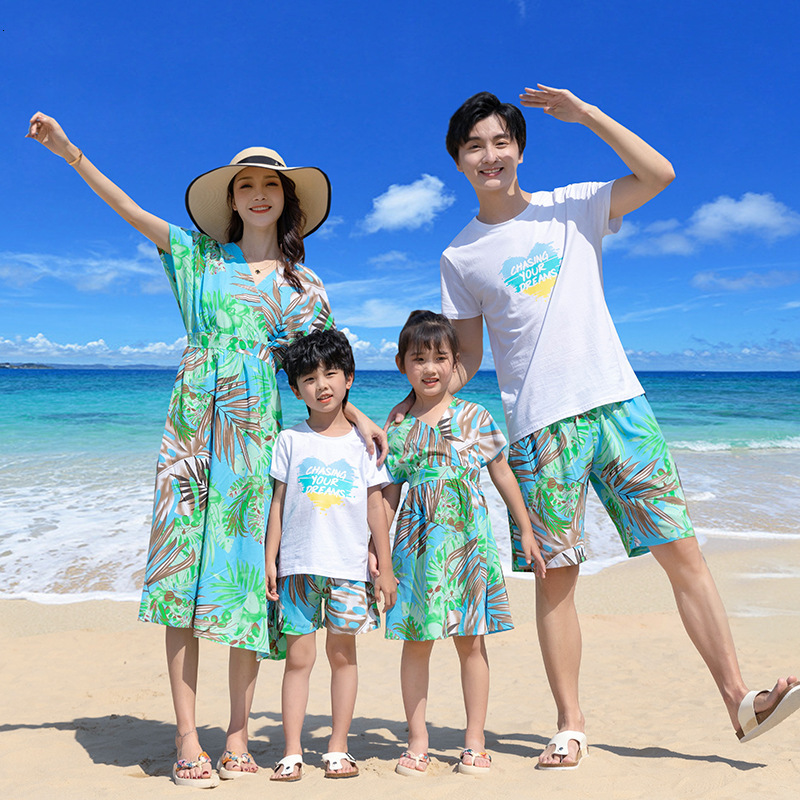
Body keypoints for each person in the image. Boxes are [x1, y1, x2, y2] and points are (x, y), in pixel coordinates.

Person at [434, 86, 800, 768]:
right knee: (557, 579)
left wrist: (590, 115)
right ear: (459, 161)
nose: (490, 155)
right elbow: (470, 357)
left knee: (683, 555)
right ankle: (570, 724)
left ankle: (740, 702)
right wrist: (419, 400)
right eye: (474, 146)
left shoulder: (574, 206)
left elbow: (659, 175)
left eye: (500, 141)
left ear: (519, 148)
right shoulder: (461, 256)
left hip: (620, 406)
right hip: (542, 427)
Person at [27, 113, 387, 787]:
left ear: (287, 200)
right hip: (193, 433)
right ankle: (188, 736)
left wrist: (361, 418)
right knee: (184, 581)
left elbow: (322, 369)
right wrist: (70, 152)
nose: (257, 194)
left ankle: (239, 737)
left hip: (254, 439)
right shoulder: (196, 258)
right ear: (230, 198)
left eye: (269, 186)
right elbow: (130, 210)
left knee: (247, 586)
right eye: (245, 185)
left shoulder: (305, 288)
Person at [383, 310, 546, 777]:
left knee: (470, 642)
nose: (430, 368)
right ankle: (417, 741)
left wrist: (527, 529)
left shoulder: (474, 416)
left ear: (456, 364)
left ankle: (474, 740)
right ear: (402, 365)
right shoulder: (396, 426)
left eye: (440, 358)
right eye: (419, 359)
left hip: (468, 544)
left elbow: (502, 474)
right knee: (416, 643)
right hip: (415, 548)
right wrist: (377, 552)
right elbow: (389, 493)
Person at [265, 329, 397, 781]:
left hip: (347, 568)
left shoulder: (364, 445)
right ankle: (292, 751)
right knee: (299, 660)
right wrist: (271, 558)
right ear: (295, 387)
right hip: (298, 567)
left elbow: (376, 507)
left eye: (331, 374)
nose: (321, 384)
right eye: (308, 378)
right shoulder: (290, 440)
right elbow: (278, 504)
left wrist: (386, 566)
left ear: (349, 379)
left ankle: (338, 747)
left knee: (344, 656)